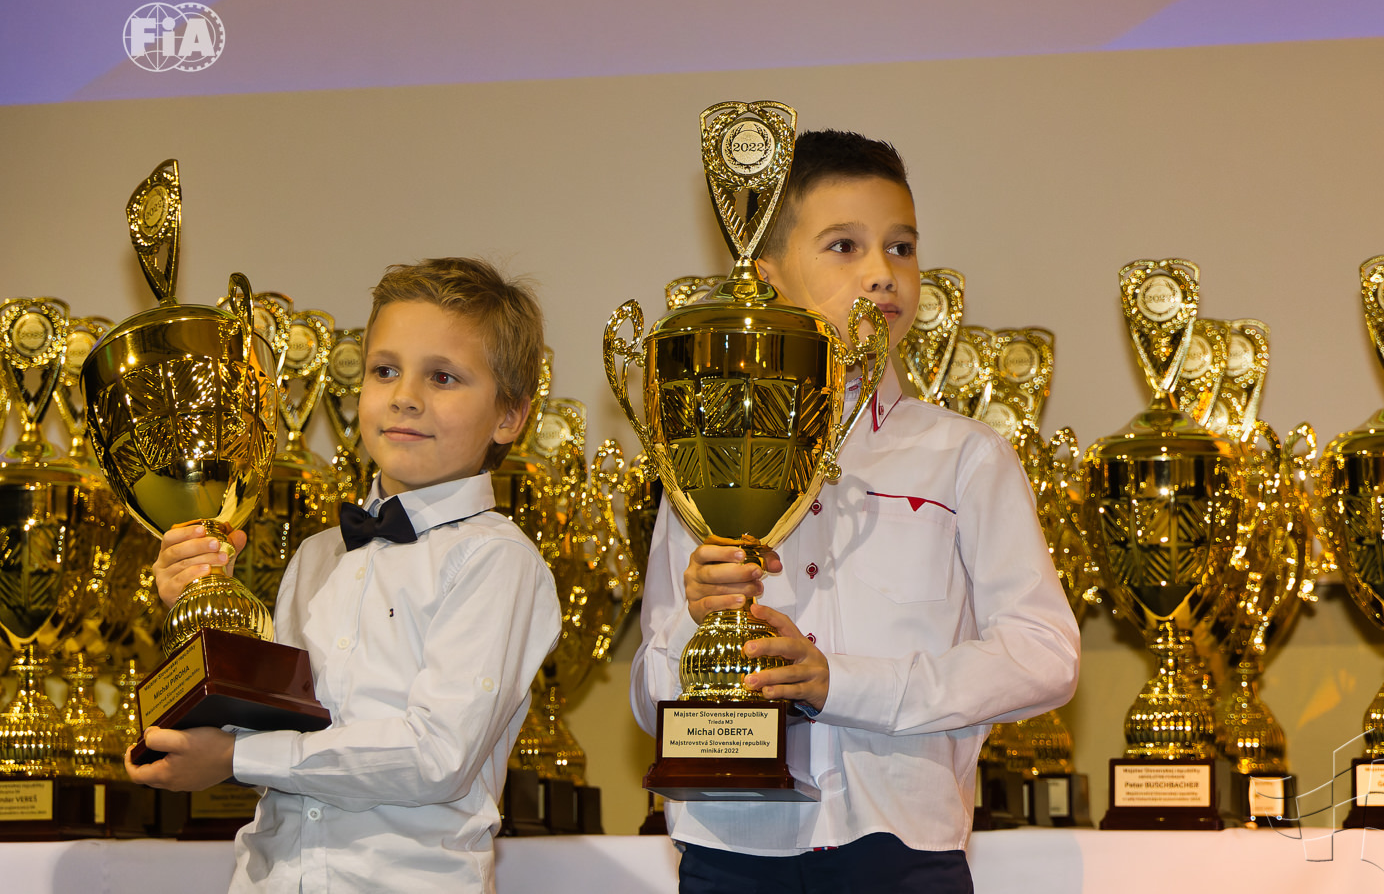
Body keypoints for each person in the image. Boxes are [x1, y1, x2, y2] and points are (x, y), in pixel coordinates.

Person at [630, 130, 1081, 893]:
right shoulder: (705, 454)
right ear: (765, 277)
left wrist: (839, 683)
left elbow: (1045, 655)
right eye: (844, 245)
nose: (881, 272)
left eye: (901, 247)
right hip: (729, 845)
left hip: (901, 848)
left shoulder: (964, 455)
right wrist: (693, 626)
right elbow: (650, 701)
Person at [129, 257, 562, 894]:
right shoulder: (318, 556)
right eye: (385, 370)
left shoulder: (496, 559)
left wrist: (237, 758)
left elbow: (436, 756)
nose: (405, 396)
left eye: (443, 376)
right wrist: (199, 611)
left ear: (510, 417)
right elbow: (268, 720)